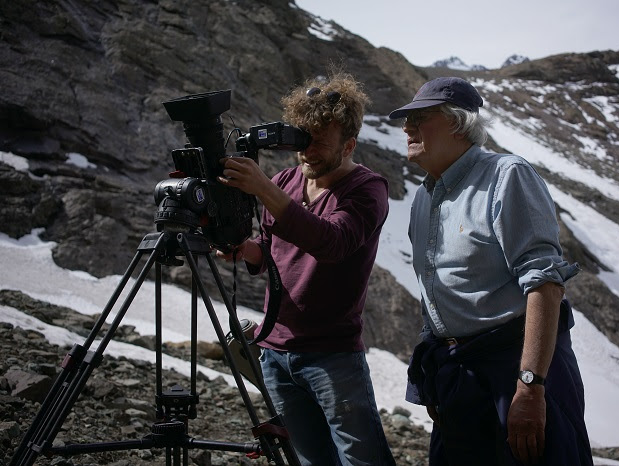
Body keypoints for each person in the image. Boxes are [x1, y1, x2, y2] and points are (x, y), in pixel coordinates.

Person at [388, 77, 593, 466]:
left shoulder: (506, 175)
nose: (407, 128)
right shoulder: (424, 196)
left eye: (420, 117)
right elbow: (432, 289)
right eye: (407, 120)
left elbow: (545, 283)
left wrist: (530, 388)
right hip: (458, 376)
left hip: (516, 370)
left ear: (457, 123)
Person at [217, 71, 395, 466]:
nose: (306, 151)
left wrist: (264, 189)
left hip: (332, 355)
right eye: (302, 139)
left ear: (349, 144)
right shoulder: (286, 180)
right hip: (275, 352)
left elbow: (331, 243)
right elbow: (272, 249)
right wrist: (247, 250)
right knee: (311, 460)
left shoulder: (367, 189)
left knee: (362, 461)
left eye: (319, 142)